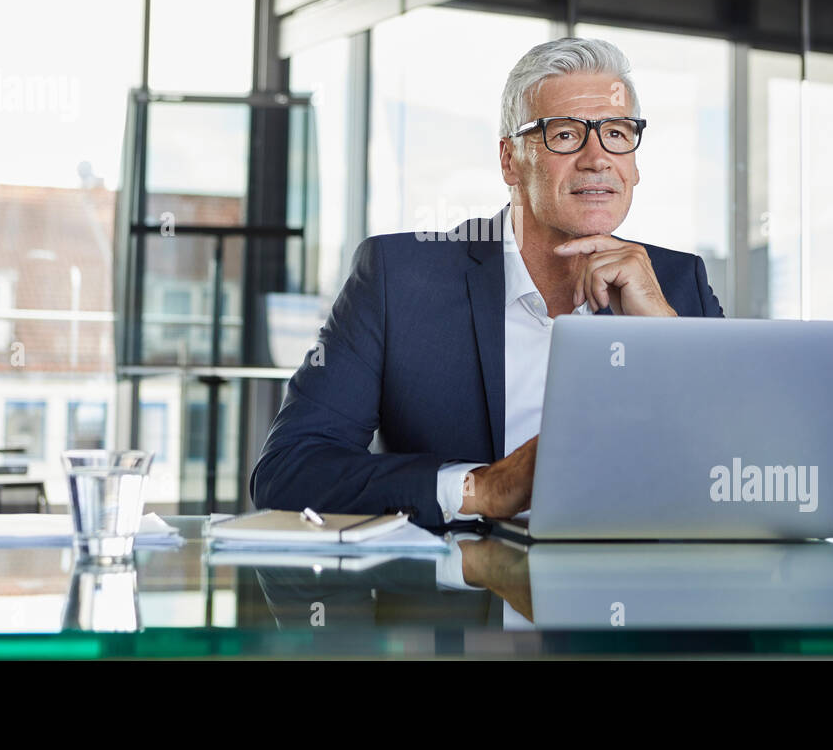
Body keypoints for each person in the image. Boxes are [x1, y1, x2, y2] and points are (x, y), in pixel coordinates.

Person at [250, 37, 724, 529]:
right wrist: (483, 488)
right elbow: (288, 472)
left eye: (617, 133)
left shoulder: (677, 284)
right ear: (509, 159)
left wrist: (669, 342)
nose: (598, 158)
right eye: (565, 135)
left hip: (636, 594)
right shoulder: (400, 277)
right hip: (461, 592)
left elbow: (744, 472)